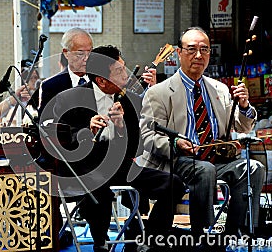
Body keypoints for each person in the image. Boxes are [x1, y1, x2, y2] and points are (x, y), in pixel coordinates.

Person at [53, 45, 186, 252]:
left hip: (120, 168)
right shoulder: (70, 99)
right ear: (102, 80)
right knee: (98, 187)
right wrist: (87, 130)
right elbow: (61, 142)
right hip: (84, 169)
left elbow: (139, 146)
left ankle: (150, 240)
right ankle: (101, 243)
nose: (127, 75)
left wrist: (121, 128)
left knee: (173, 183)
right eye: (120, 71)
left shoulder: (130, 100)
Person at [139, 27, 265, 238]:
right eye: (191, 49)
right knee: (204, 170)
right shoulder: (158, 92)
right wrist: (176, 143)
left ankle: (238, 233)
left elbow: (242, 127)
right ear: (179, 53)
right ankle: (203, 234)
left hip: (217, 160)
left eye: (204, 50)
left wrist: (244, 106)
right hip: (176, 161)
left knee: (253, 168)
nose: (198, 55)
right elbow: (149, 137)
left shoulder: (220, 89)